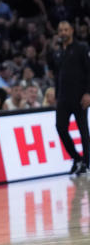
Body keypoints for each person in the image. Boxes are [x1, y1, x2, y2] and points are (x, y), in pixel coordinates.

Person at [48, 20, 90, 174]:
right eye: (60, 30)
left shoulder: (82, 48)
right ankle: (76, 158)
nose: (63, 33)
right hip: (63, 98)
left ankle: (86, 162)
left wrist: (88, 93)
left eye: (66, 29)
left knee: (83, 130)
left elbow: (88, 71)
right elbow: (57, 74)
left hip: (80, 97)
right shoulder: (58, 51)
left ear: (72, 30)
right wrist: (57, 94)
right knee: (60, 127)